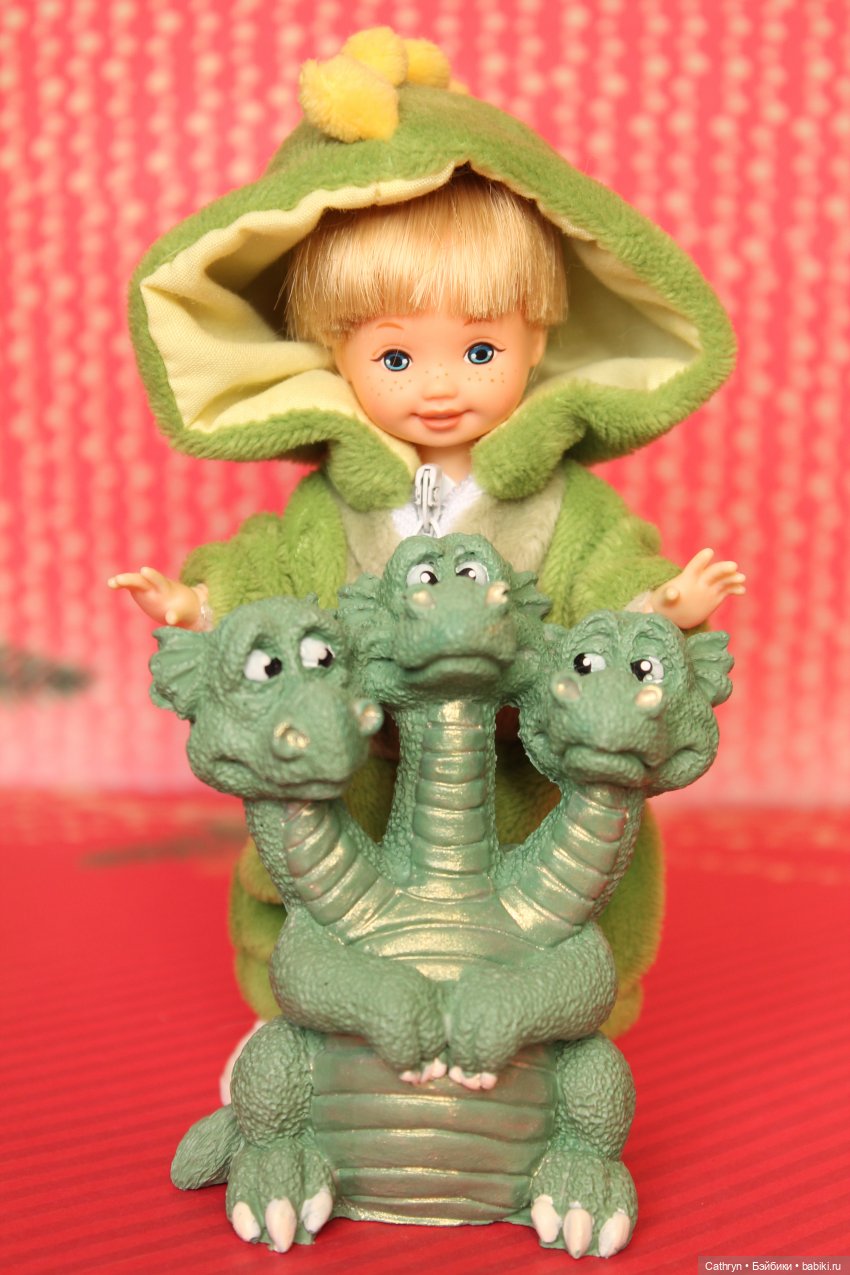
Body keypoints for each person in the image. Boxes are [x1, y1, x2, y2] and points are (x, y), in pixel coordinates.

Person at [110, 29, 742, 1036]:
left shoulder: (559, 502)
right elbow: (275, 573)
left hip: (517, 766)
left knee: (559, 899)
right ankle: (320, 1035)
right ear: (335, 353)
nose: (440, 387)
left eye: (480, 349)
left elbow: (606, 579)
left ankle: (543, 1039)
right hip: (368, 760)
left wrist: (660, 605)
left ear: (539, 338)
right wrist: (200, 603)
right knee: (324, 890)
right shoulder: (342, 499)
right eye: (396, 359)